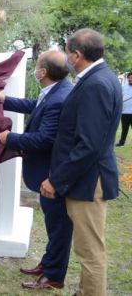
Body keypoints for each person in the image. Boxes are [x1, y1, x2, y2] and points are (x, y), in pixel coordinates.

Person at [40, 28, 122, 296]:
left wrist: (56, 179)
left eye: (67, 52)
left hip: (88, 180)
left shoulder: (96, 84)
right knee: (87, 247)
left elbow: (89, 145)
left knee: (90, 251)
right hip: (86, 176)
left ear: (76, 55)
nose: (65, 57)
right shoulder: (99, 78)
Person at [0, 51, 73, 290]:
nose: (35, 69)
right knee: (53, 224)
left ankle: (54, 276)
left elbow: (44, 139)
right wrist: (4, 99)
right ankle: (48, 264)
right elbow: (35, 107)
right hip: (47, 170)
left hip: (52, 173)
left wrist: (11, 138)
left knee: (59, 227)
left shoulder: (59, 98)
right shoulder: (56, 90)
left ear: (43, 72)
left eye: (37, 65)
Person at [116, 72, 132, 146]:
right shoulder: (123, 87)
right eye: (129, 77)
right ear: (127, 78)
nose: (130, 79)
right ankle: (121, 143)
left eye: (131, 78)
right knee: (124, 129)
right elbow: (119, 97)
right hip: (124, 112)